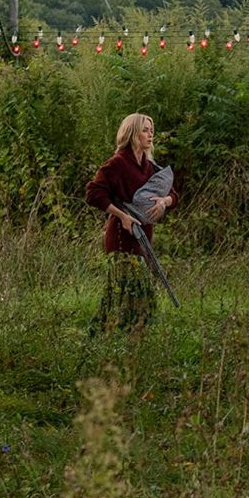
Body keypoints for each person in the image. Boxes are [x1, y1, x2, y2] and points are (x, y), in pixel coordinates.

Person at [85, 113, 177, 334]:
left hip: (143, 239)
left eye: (151, 130)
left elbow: (174, 194)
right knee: (129, 294)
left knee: (133, 297)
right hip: (121, 238)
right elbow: (93, 193)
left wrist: (164, 202)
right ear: (133, 134)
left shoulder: (150, 166)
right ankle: (112, 339)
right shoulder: (118, 163)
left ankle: (122, 340)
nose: (150, 134)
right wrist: (123, 216)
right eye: (145, 130)